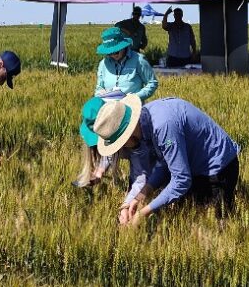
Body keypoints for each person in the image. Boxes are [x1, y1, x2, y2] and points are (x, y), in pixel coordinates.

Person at [86, 94, 240, 227]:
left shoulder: (163, 126)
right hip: (194, 167)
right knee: (187, 222)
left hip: (218, 168)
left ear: (129, 133)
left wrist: (144, 213)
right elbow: (165, 164)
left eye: (121, 144)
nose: (124, 149)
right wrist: (139, 197)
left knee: (214, 228)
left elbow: (181, 180)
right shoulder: (146, 123)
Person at [75, 96, 152, 226]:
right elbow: (110, 150)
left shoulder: (133, 138)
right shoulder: (116, 131)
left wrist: (126, 205)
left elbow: (140, 176)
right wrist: (100, 171)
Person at [95, 27, 158, 102]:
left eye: (116, 52)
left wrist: (134, 98)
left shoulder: (139, 60)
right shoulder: (103, 64)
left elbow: (152, 83)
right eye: (109, 53)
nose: (113, 55)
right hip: (109, 109)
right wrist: (100, 98)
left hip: (133, 107)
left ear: (123, 47)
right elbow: (99, 87)